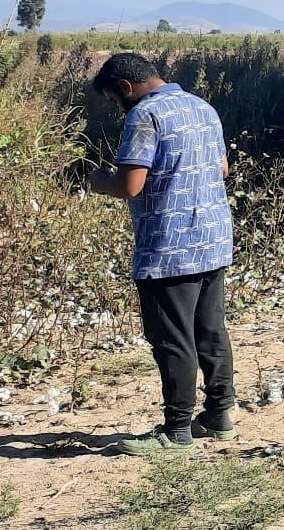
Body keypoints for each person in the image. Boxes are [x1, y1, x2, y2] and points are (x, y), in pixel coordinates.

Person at [86, 53, 239, 455]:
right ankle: (220, 416)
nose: (118, 107)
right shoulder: (202, 106)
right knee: (210, 330)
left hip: (168, 246)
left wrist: (97, 180)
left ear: (124, 87)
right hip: (213, 238)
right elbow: (222, 168)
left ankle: (176, 430)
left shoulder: (144, 115)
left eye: (114, 100)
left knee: (172, 338)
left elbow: (130, 185)